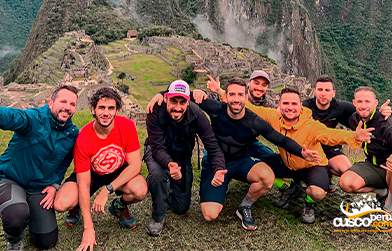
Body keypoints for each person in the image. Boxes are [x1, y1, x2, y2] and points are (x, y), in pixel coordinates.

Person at [148, 78, 322, 230]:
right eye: (232, 95)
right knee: (210, 215)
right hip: (215, 163)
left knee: (267, 177)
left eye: (240, 95)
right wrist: (159, 94)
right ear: (226, 96)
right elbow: (182, 93)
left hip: (241, 161)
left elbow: (280, 140)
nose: (236, 99)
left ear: (246, 97)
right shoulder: (215, 108)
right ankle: (217, 188)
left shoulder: (255, 122)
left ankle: (245, 205)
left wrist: (301, 152)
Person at [242, 87, 374, 223]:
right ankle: (289, 188)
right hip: (287, 162)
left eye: (294, 104)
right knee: (250, 167)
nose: (290, 107)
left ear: (301, 106)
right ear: (279, 105)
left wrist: (354, 136)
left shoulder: (311, 125)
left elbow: (331, 134)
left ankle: (308, 202)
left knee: (317, 192)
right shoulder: (274, 117)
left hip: (312, 165)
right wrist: (222, 93)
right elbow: (253, 109)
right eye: (286, 103)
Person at [54, 87, 147, 251]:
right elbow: (83, 184)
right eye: (101, 108)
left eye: (111, 108)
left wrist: (107, 190)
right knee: (61, 204)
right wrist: (89, 228)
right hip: (91, 174)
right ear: (93, 109)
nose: (106, 113)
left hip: (117, 169)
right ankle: (77, 207)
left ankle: (118, 206)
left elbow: (135, 165)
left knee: (139, 190)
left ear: (117, 110)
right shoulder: (84, 137)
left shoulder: (127, 126)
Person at [0, 85, 79, 251]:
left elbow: (63, 164)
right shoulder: (34, 118)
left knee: (47, 242)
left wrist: (54, 185)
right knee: (16, 215)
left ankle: (28, 216)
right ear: (51, 103)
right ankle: (14, 241)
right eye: (63, 101)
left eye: (72, 104)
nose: (67, 107)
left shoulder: (71, 133)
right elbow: (12, 116)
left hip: (38, 188)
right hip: (11, 178)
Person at [144, 79, 226, 236]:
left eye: (182, 102)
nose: (177, 107)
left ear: (188, 102)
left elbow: (213, 147)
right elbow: (158, 148)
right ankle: (157, 217)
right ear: (166, 98)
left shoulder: (197, 115)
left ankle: (159, 187)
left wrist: (219, 168)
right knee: (158, 173)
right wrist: (170, 164)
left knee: (181, 207)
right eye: (173, 101)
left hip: (181, 155)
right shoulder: (155, 111)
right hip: (157, 152)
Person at [339, 87, 392, 229]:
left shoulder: (388, 127)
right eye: (359, 101)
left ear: (375, 103)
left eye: (368, 101)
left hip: (391, 169)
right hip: (371, 165)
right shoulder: (355, 119)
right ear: (354, 103)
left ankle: (391, 208)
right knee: (345, 183)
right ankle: (383, 192)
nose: (363, 105)